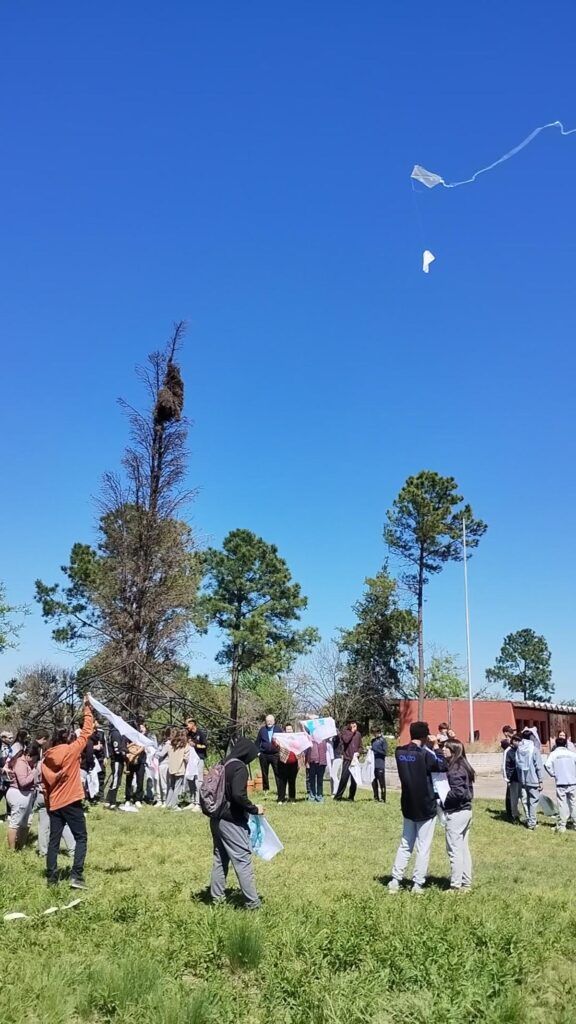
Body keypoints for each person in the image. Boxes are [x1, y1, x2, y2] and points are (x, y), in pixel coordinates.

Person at [42, 695, 94, 888]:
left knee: (53, 842)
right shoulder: (72, 751)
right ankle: (76, 876)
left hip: (55, 803)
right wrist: (87, 707)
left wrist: (49, 806)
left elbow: (45, 786)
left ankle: (51, 878)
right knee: (81, 838)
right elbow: (87, 730)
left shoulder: (46, 758)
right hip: (71, 801)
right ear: (67, 737)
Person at [388, 721, 447, 894]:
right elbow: (442, 765)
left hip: (407, 803)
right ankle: (417, 883)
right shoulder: (425, 754)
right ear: (425, 735)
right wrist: (436, 745)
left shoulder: (399, 752)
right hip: (425, 804)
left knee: (405, 843)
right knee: (423, 846)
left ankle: (395, 880)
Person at [209, 737, 264, 910]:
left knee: (220, 859)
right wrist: (255, 809)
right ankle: (253, 904)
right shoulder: (239, 767)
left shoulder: (224, 763)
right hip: (231, 820)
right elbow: (238, 795)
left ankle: (216, 900)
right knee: (242, 861)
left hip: (216, 818)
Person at [442, 740, 475, 892]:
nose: (443, 750)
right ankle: (466, 883)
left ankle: (455, 885)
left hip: (456, 812)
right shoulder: (464, 765)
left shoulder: (455, 769)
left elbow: (458, 792)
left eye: (446, 748)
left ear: (453, 751)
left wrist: (443, 801)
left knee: (454, 850)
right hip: (466, 811)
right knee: (463, 849)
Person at [5, 741, 38, 850]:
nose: (34, 760)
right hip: (19, 794)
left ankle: (20, 845)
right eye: (33, 758)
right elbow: (23, 782)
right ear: (28, 755)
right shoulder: (20, 763)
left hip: (25, 795)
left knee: (26, 821)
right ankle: (12, 850)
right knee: (15, 823)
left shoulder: (25, 763)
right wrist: (34, 772)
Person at [545, 734, 576, 833]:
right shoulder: (572, 754)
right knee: (573, 804)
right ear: (566, 744)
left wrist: (553, 774)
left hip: (560, 783)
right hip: (572, 782)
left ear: (556, 745)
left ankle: (562, 825)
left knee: (562, 804)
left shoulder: (554, 754)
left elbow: (547, 765)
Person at [515, 728, 544, 830]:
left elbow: (517, 765)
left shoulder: (519, 749)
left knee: (526, 801)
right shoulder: (534, 750)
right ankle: (532, 822)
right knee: (533, 801)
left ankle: (529, 819)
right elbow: (538, 766)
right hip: (533, 780)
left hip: (522, 780)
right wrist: (541, 780)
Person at [334, 722, 363, 801]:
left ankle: (351, 797)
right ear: (349, 725)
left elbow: (361, 746)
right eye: (352, 724)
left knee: (354, 779)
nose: (354, 726)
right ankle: (338, 796)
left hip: (355, 760)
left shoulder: (358, 734)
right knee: (344, 778)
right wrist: (352, 732)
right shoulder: (345, 733)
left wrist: (359, 752)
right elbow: (346, 741)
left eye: (355, 725)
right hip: (347, 759)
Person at [256, 715, 281, 793]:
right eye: (267, 721)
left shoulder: (278, 729)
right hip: (264, 755)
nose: (269, 722)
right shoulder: (262, 730)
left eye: (271, 720)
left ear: (274, 721)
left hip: (275, 755)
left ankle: (280, 790)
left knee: (278, 773)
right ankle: (266, 789)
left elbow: (283, 740)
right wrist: (258, 753)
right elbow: (257, 742)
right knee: (264, 773)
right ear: (265, 722)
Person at [165, 729, 189, 809]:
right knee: (177, 787)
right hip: (180, 769)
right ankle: (174, 805)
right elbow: (186, 758)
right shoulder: (185, 746)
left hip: (171, 768)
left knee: (171, 787)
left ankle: (168, 803)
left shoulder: (171, 745)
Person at [104, 723, 126, 809]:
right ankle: (111, 802)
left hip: (118, 760)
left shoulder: (115, 732)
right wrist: (124, 753)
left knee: (117, 780)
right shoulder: (116, 733)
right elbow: (117, 749)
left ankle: (109, 800)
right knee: (116, 780)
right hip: (117, 760)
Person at [123, 725, 146, 809]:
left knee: (140, 780)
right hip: (130, 761)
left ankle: (138, 799)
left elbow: (143, 747)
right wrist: (130, 754)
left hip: (140, 761)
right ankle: (128, 799)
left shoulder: (141, 737)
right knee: (129, 780)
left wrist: (135, 754)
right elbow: (124, 747)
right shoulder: (127, 737)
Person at [276, 725, 300, 804]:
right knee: (282, 781)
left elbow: (300, 748)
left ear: (292, 730)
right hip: (283, 762)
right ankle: (281, 799)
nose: (289, 730)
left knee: (292, 781)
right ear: (285, 730)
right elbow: (275, 745)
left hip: (294, 762)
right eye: (287, 729)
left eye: (290, 729)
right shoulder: (281, 738)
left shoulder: (296, 738)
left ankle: (292, 798)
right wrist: (276, 741)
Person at [186, 719, 208, 807]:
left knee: (198, 780)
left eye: (188, 725)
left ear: (192, 724)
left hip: (199, 758)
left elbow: (205, 745)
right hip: (191, 759)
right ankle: (192, 800)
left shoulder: (200, 733)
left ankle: (199, 802)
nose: (187, 727)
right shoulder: (189, 734)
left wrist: (195, 745)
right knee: (190, 779)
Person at [502, 733, 521, 823]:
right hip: (512, 778)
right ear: (512, 741)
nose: (518, 743)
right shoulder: (508, 751)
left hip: (521, 778)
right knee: (513, 798)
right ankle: (514, 815)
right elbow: (505, 765)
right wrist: (507, 778)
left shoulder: (521, 750)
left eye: (519, 741)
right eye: (516, 741)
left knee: (523, 797)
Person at [305, 733, 327, 802]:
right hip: (312, 762)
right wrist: (307, 762)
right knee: (311, 780)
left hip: (321, 763)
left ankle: (319, 796)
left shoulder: (323, 738)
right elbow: (307, 751)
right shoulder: (309, 739)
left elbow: (326, 750)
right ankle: (312, 796)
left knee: (320, 781)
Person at [156, 726, 172, 806]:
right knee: (160, 782)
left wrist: (155, 752)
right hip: (161, 764)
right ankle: (161, 799)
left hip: (165, 764)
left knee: (164, 782)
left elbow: (162, 754)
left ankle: (165, 800)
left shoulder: (168, 744)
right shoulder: (163, 743)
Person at [371, 727, 387, 803]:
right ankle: (376, 797)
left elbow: (384, 752)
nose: (374, 734)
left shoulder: (383, 741)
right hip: (373, 764)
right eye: (373, 733)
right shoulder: (373, 741)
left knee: (381, 782)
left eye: (375, 732)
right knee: (374, 782)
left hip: (380, 764)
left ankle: (383, 798)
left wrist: (374, 749)